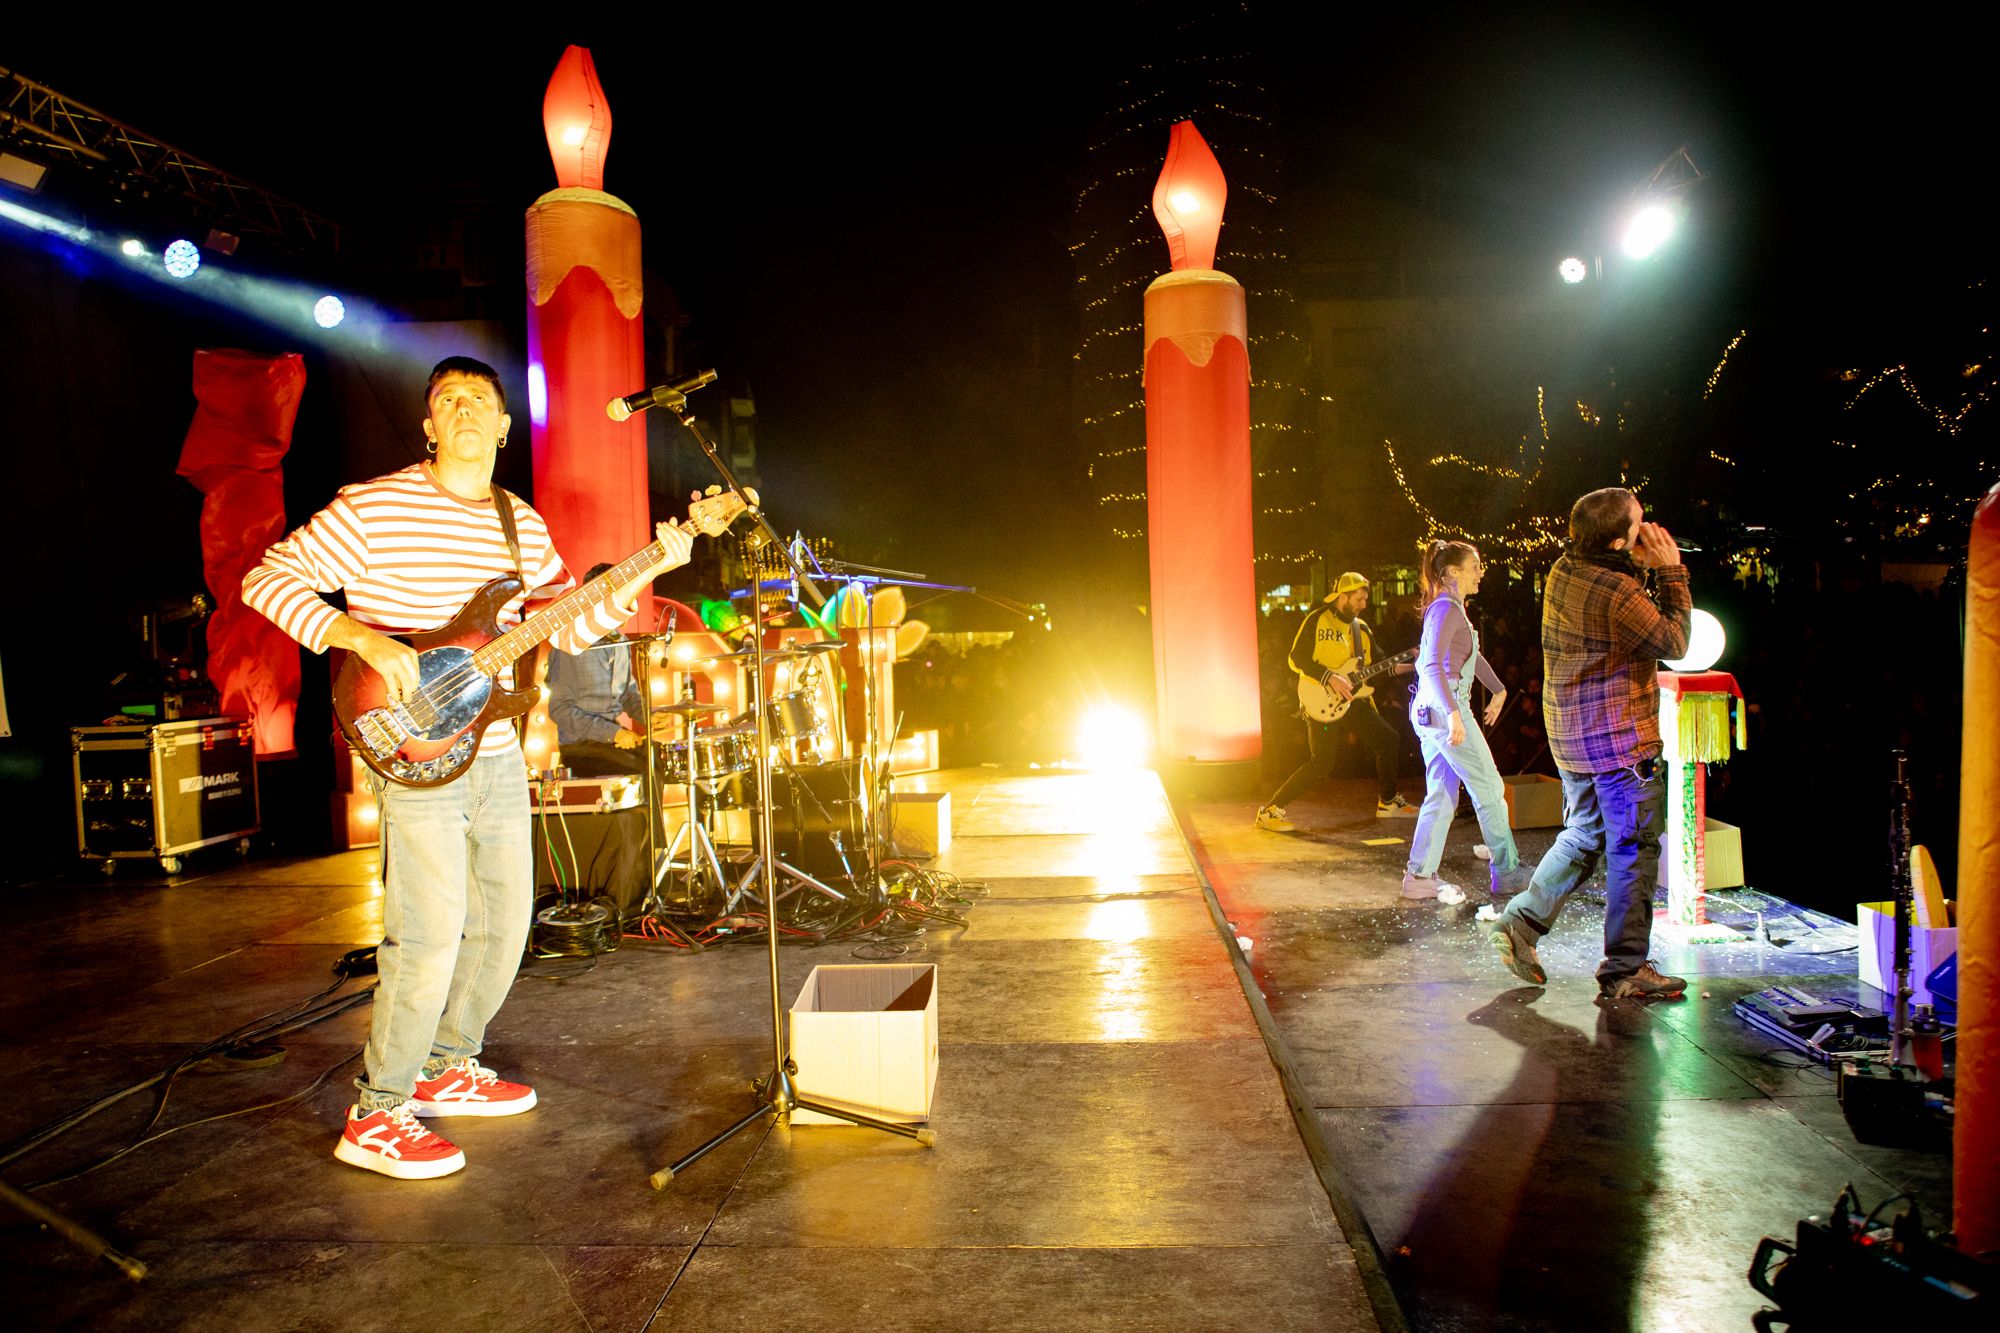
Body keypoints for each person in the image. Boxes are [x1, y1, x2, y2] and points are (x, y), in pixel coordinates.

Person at [243, 357, 695, 1179]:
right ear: (428, 425)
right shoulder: (372, 506)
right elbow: (266, 577)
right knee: (428, 933)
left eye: (477, 400)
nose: (461, 410)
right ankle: (376, 1110)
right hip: (410, 748)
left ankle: (448, 1061)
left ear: (501, 427)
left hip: (490, 749)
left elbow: (567, 624)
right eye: (445, 399)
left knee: (505, 921)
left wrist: (651, 564)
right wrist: (359, 637)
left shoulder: (518, 521)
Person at [1488, 487, 1692, 1000]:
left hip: (1573, 736)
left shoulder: (1565, 569)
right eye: (1639, 522)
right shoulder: (1618, 591)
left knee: (1584, 835)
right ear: (1620, 538)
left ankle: (1522, 922)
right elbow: (1674, 643)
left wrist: (1635, 564)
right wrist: (1670, 571)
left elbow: (1616, 613)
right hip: (1621, 742)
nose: (1649, 528)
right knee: (1632, 851)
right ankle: (1625, 968)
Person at [1401, 539, 1532, 901]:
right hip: (1445, 710)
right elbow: (1431, 665)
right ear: (1452, 573)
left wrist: (1499, 688)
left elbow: (1468, 655)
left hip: (1434, 711)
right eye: (1475, 567)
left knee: (1442, 795)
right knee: (1489, 788)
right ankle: (1506, 872)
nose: (1481, 573)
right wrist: (1455, 715)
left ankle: (1420, 877)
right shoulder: (1447, 609)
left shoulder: (1450, 609)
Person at [1255, 571, 1419, 831]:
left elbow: (1380, 666)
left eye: (1365, 600)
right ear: (1343, 597)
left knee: (1389, 740)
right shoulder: (1317, 620)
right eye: (1360, 599)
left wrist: (1412, 666)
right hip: (1321, 698)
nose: (1365, 604)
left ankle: (1388, 802)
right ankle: (1270, 811)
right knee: (1322, 762)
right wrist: (1329, 677)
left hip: (1353, 699)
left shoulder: (1360, 629)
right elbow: (1296, 658)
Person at [546, 564, 649, 777]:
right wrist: (614, 733)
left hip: (610, 741)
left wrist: (649, 715)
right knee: (643, 769)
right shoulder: (571, 644)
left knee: (658, 759)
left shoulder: (621, 641)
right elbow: (560, 711)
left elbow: (629, 696)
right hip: (580, 746)